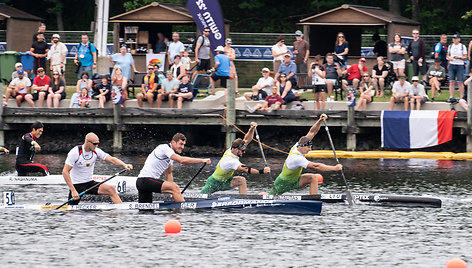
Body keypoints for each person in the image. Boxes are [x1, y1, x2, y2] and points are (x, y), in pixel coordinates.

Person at [269, 114, 342, 195]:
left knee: (312, 177)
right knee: (271, 196)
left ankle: (314, 200)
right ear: (302, 146)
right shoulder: (296, 158)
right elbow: (316, 166)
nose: (310, 149)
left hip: (295, 180)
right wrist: (334, 168)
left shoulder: (298, 144)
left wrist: (320, 121)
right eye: (308, 148)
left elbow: (312, 132)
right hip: (283, 183)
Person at [137, 133, 211, 202]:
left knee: (146, 211)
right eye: (181, 144)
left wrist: (172, 193)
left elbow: (168, 174)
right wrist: (202, 160)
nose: (182, 147)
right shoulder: (164, 148)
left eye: (184, 145)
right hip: (145, 180)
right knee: (175, 188)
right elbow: (181, 160)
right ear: (173, 142)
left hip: (145, 183)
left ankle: (173, 212)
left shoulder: (170, 156)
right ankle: (183, 209)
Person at [63, 132, 133, 205]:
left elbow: (112, 159)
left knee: (111, 189)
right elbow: (65, 172)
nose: (96, 146)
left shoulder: (96, 151)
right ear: (87, 142)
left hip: (90, 183)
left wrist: (124, 165)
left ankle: (120, 210)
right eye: (94, 144)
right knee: (71, 211)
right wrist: (73, 190)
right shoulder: (75, 152)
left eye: (97, 143)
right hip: (76, 185)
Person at [201, 122, 270, 194]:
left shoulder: (234, 148)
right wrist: (262, 171)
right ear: (237, 149)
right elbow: (245, 169)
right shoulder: (230, 160)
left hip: (225, 181)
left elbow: (247, 139)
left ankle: (244, 200)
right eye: (242, 151)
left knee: (241, 180)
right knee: (200, 198)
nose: (244, 152)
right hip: (214, 183)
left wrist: (252, 128)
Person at [447, 34, 468, 100]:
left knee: (460, 82)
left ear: (459, 39)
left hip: (460, 65)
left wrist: (459, 57)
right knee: (451, 81)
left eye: (456, 38)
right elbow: (447, 55)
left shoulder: (462, 46)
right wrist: (449, 58)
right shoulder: (450, 46)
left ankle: (462, 97)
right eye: (453, 38)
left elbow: (465, 57)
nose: (454, 40)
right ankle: (451, 96)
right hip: (452, 64)